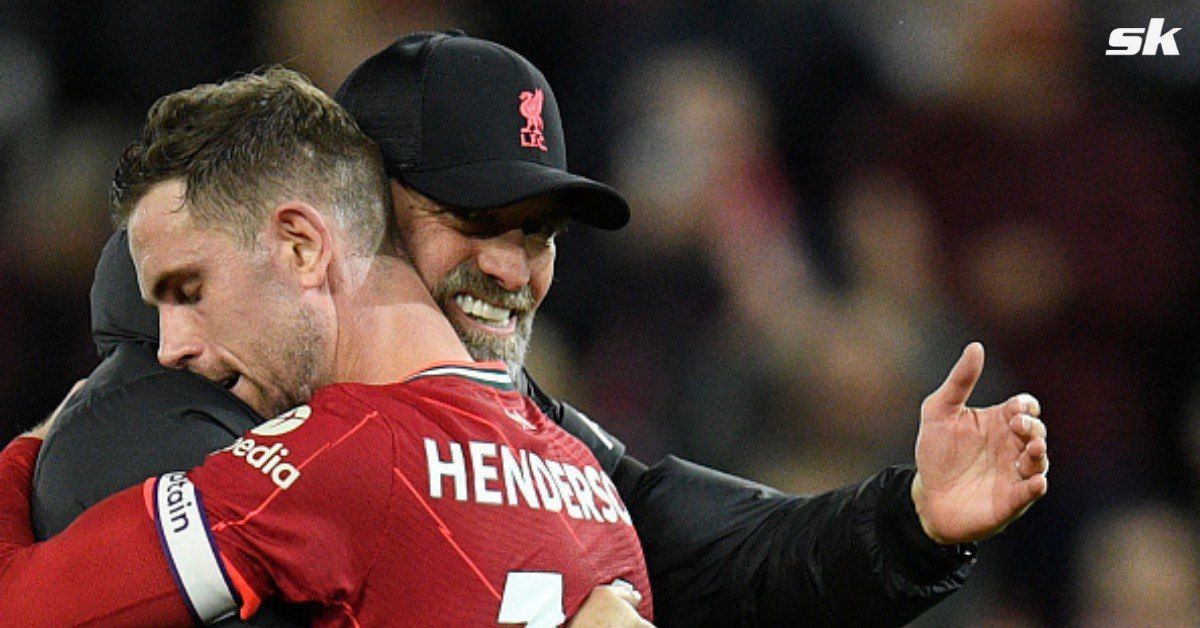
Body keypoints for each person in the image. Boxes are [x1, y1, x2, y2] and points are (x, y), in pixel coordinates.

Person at [28, 31, 1051, 626]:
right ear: (349, 212)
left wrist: (908, 523)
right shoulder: (170, 395)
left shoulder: (519, 435)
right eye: (475, 221)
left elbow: (705, 541)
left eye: (540, 233)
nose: (513, 271)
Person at [0, 66, 653, 625]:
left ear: (302, 247)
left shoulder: (323, 466)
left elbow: (16, 605)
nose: (170, 348)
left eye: (189, 289)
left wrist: (31, 446)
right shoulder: (593, 490)